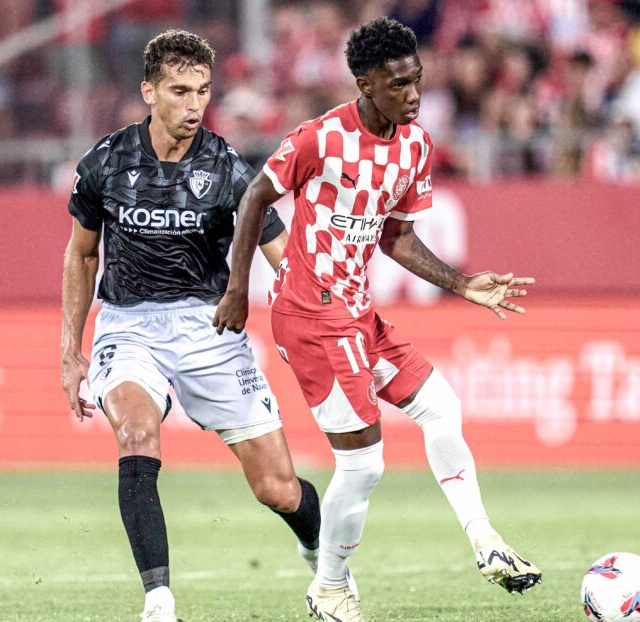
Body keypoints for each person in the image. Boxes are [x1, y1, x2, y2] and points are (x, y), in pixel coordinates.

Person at [214, 16, 542, 622]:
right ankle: (330, 586)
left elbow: (398, 239)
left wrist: (462, 283)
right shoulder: (320, 137)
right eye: (398, 86)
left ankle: (485, 540)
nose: (413, 94)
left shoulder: (415, 145)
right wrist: (238, 288)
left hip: (358, 312)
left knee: (442, 407)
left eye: (416, 81)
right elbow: (256, 195)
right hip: (309, 314)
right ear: (365, 84)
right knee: (364, 463)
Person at [60, 30, 323, 622]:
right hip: (129, 325)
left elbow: (284, 258)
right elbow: (80, 256)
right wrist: (69, 350)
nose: (194, 104)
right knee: (135, 436)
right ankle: (159, 601)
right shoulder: (105, 162)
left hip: (211, 329)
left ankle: (322, 553)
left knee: (277, 489)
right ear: (149, 91)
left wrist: (311, 313)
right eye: (180, 91)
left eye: (203, 91)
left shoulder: (228, 167)